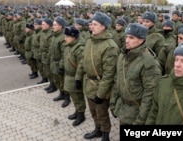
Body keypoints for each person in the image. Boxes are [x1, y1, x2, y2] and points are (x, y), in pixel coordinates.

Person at [75, 12, 119, 141]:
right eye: (91, 23)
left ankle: (105, 134)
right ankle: (97, 129)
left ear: (103, 26)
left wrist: (100, 93)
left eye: (95, 24)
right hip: (89, 83)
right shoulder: (90, 41)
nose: (91, 26)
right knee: (93, 111)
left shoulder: (110, 46)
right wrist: (78, 77)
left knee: (102, 112)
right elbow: (83, 60)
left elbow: (109, 74)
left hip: (100, 86)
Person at [110, 23, 161, 125]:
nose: (127, 40)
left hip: (137, 112)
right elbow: (117, 80)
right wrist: (113, 103)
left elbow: (150, 94)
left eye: (131, 37)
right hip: (123, 108)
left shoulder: (148, 62)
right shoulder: (123, 55)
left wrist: (141, 119)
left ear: (141, 40)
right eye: (126, 37)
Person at [63, 26, 86, 126]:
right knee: (74, 96)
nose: (65, 38)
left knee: (78, 97)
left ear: (73, 37)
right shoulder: (69, 47)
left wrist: (78, 79)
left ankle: (81, 114)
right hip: (69, 77)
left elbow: (81, 66)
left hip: (75, 77)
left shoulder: (79, 49)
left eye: (67, 36)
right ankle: (77, 111)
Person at [50, 16, 70, 107]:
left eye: (54, 25)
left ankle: (67, 97)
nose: (52, 26)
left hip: (60, 64)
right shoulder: (55, 35)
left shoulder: (62, 37)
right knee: (57, 81)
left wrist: (61, 66)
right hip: (54, 63)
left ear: (61, 26)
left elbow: (64, 54)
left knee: (63, 81)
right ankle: (61, 94)